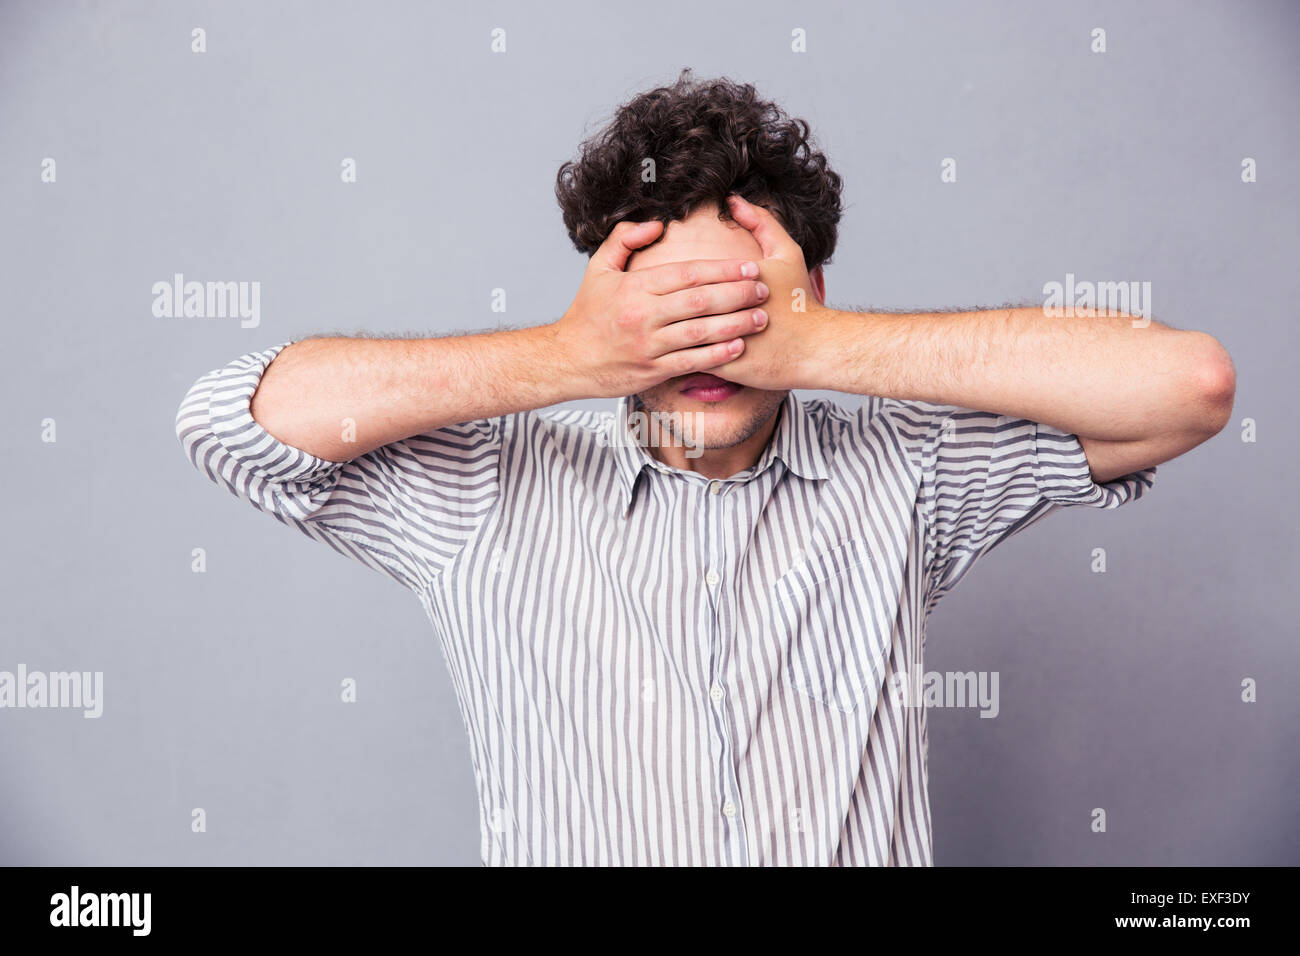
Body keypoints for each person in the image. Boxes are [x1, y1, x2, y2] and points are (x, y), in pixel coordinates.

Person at [175, 70, 1234, 865]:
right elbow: (232, 420)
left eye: (739, 305)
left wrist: (818, 344)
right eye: (669, 312)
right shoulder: (484, 494)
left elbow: (1185, 386)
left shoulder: (907, 471)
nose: (705, 346)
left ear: (807, 288)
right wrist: (565, 356)